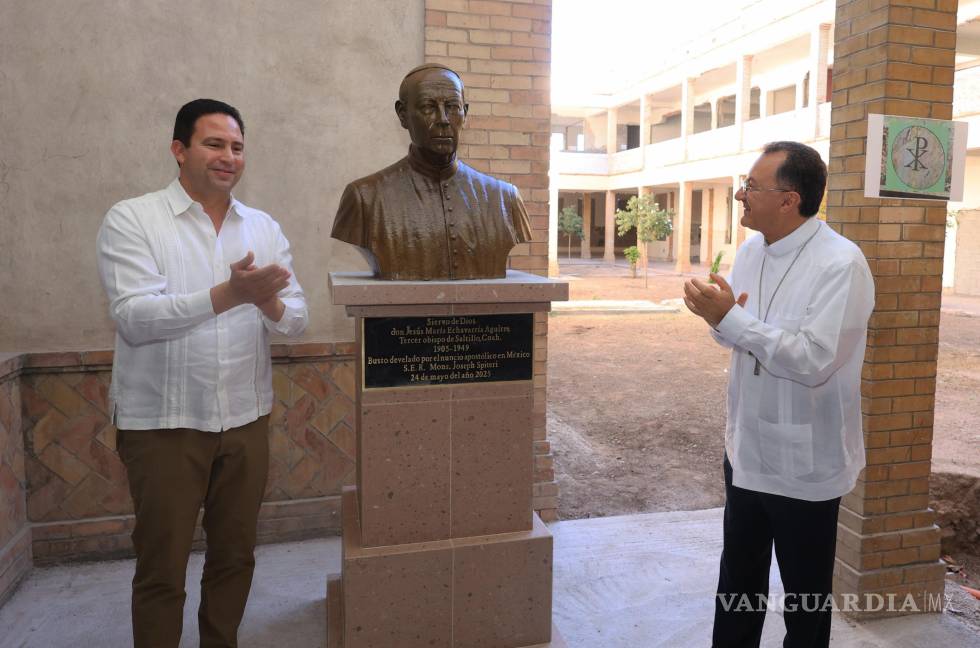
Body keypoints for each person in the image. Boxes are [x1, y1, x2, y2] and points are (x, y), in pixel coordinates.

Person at [96, 98, 308, 648]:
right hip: (163, 424)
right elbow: (135, 318)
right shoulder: (132, 218)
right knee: (161, 567)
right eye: (214, 143)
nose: (228, 157)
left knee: (235, 557)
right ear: (179, 150)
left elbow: (297, 320)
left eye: (237, 147)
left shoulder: (261, 227)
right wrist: (230, 293)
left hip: (244, 419)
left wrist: (263, 300)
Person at [683, 141, 874, 648]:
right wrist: (718, 319)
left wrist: (733, 319)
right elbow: (735, 336)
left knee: (804, 599)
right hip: (745, 447)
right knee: (738, 583)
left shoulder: (841, 265)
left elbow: (813, 360)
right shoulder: (750, 251)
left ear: (789, 200)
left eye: (752, 186)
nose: (741, 194)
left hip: (805, 459)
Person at [330, 63, 532, 280]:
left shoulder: (505, 199)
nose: (443, 120)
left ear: (465, 113)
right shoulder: (364, 198)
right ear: (402, 115)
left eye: (453, 107)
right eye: (428, 107)